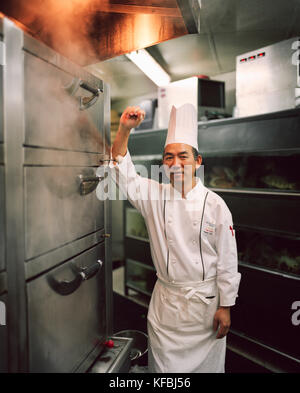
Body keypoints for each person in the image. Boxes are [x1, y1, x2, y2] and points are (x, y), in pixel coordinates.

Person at [110, 103, 241, 373]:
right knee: (164, 370)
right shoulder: (154, 196)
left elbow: (228, 260)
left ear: (198, 161)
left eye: (183, 156)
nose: (175, 163)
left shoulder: (215, 205)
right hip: (165, 307)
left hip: (203, 309)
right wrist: (124, 129)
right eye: (168, 157)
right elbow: (123, 170)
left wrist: (226, 306)